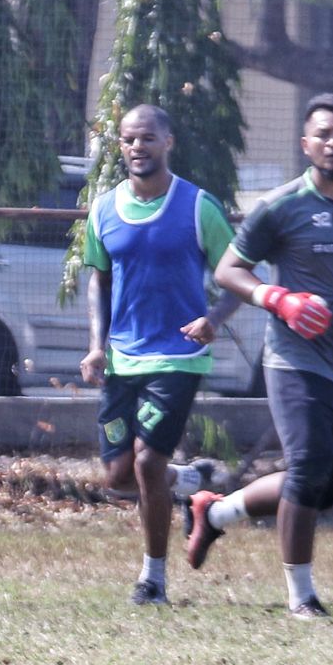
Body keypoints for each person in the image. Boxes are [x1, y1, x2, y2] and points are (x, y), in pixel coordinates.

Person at [190, 93, 333, 619]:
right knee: (308, 468)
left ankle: (215, 513)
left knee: (329, 485)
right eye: (323, 135)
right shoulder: (281, 205)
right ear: (305, 143)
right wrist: (277, 298)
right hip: (293, 359)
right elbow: (228, 270)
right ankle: (301, 598)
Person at [81, 104, 240, 606]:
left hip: (178, 355)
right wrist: (95, 344)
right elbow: (98, 278)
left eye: (147, 138)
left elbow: (237, 277)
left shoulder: (197, 206)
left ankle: (153, 580)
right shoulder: (104, 208)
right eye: (128, 139)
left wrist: (214, 320)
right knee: (119, 475)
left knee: (148, 461)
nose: (136, 147)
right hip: (122, 358)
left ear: (168, 141)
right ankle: (190, 483)